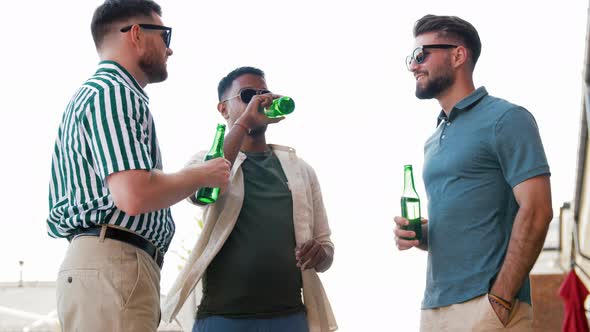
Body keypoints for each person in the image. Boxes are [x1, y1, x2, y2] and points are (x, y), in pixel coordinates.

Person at [46, 1, 230, 331]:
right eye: (164, 35)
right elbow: (133, 195)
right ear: (136, 34)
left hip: (110, 266)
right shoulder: (114, 93)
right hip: (115, 264)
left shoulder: (105, 92)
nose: (170, 49)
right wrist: (202, 173)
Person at [394, 14, 553, 331]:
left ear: (457, 55)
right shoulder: (433, 140)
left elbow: (537, 210)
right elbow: (468, 225)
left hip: (489, 305)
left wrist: (501, 301)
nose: (413, 65)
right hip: (435, 307)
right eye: (411, 57)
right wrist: (422, 235)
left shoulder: (507, 119)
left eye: (421, 54)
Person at [161, 67, 338, 332]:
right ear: (223, 109)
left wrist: (319, 254)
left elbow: (326, 249)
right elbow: (200, 194)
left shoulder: (300, 170)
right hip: (222, 318)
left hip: (290, 318)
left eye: (263, 93)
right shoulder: (204, 161)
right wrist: (243, 124)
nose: (259, 101)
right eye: (247, 95)